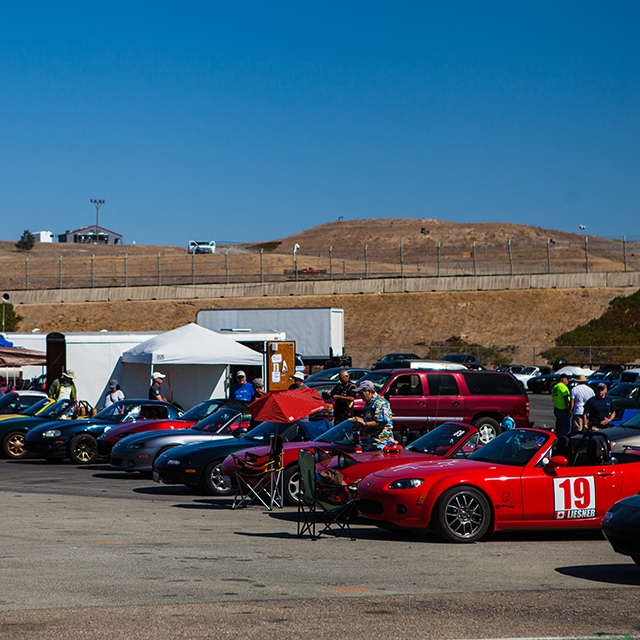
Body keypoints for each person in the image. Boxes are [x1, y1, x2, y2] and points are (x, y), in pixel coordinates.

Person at [351, 379, 394, 450]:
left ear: (369, 391)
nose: (360, 396)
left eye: (361, 393)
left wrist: (364, 424)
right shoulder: (369, 403)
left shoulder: (380, 403)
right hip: (369, 443)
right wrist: (359, 426)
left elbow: (382, 423)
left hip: (379, 443)